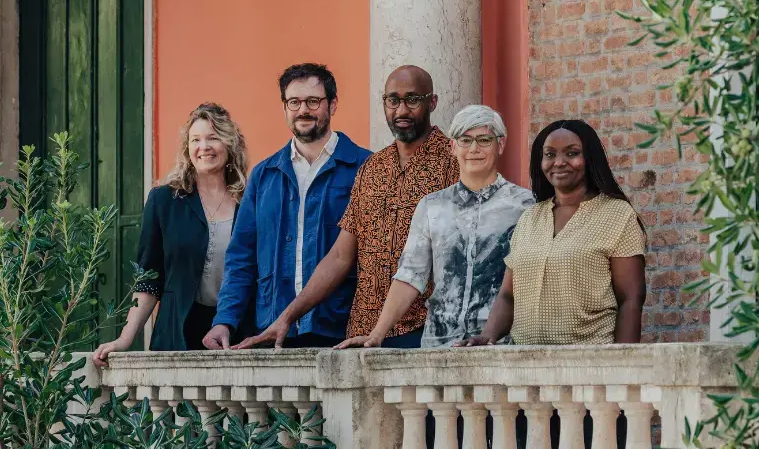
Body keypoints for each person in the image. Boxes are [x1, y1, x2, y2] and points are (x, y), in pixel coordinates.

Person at [456, 119, 646, 448]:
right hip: (525, 380)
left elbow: (632, 297)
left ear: (590, 159)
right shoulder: (531, 218)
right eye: (549, 154)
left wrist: (621, 370)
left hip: (589, 377)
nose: (559, 162)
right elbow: (508, 294)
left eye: (572, 153)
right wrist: (488, 336)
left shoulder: (617, 215)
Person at [246, 65, 459, 349]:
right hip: (362, 335)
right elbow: (339, 257)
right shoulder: (371, 167)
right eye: (393, 100)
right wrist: (287, 317)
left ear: (431, 102)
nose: (402, 110)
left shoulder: (454, 162)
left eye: (413, 99)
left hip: (427, 329)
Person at [201, 64, 371, 350]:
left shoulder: (365, 167)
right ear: (285, 107)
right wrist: (225, 320)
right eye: (294, 102)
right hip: (272, 329)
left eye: (313, 101)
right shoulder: (264, 175)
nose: (303, 110)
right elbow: (242, 257)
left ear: (333, 104)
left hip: (341, 328)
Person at [336, 105, 533, 349]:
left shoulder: (524, 205)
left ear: (500, 145)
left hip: (499, 344)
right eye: (465, 140)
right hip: (439, 343)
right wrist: (377, 334)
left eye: (484, 140)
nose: (474, 149)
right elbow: (410, 275)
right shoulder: (432, 206)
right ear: (453, 147)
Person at [92, 102, 250, 366]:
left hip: (236, 335)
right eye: (196, 140)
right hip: (177, 332)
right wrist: (125, 338)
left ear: (230, 144)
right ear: (187, 149)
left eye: (213, 138)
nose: (204, 147)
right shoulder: (164, 200)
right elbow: (148, 279)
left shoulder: (249, 202)